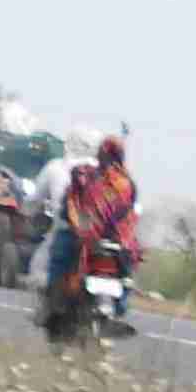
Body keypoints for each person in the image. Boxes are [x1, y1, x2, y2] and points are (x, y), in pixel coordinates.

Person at [37, 133, 140, 316]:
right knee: (127, 270)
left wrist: (83, 225)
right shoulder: (128, 182)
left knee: (60, 257)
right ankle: (121, 303)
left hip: (87, 233)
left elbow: (71, 206)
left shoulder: (84, 174)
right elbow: (131, 212)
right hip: (119, 239)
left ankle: (51, 305)